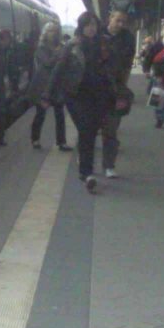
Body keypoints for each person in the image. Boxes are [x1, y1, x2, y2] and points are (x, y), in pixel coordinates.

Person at [47, 11, 115, 193]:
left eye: (93, 25)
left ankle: (86, 169)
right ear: (81, 27)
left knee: (91, 132)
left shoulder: (104, 45)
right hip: (75, 95)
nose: (91, 28)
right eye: (87, 25)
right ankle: (87, 173)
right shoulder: (71, 46)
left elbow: (111, 70)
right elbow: (58, 70)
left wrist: (116, 92)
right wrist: (47, 94)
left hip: (98, 95)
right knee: (85, 128)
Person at [100, 11, 135, 178]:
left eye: (124, 21)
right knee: (89, 129)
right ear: (110, 18)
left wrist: (122, 90)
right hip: (95, 88)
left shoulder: (127, 38)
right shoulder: (98, 33)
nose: (121, 24)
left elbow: (128, 66)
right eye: (118, 20)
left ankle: (109, 165)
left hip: (116, 89)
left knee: (111, 129)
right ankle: (85, 162)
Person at [27, 22, 71, 151]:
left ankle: (61, 142)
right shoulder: (40, 48)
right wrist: (58, 54)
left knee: (60, 114)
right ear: (45, 33)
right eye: (50, 31)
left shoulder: (61, 46)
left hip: (57, 85)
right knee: (40, 114)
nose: (53, 33)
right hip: (43, 87)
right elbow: (47, 63)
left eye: (55, 31)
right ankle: (35, 139)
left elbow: (65, 63)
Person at [146, 24, 164, 128]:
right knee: (158, 96)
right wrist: (146, 70)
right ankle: (159, 118)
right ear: (163, 30)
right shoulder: (157, 45)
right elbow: (149, 57)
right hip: (158, 74)